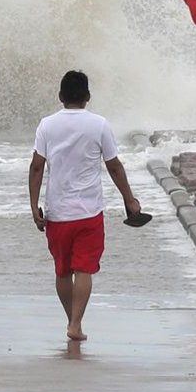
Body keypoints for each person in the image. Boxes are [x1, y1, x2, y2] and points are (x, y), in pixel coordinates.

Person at [29, 69, 141, 341]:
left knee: (63, 271)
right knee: (84, 269)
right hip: (89, 213)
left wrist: (33, 206)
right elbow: (114, 166)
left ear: (60, 96)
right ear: (88, 96)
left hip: (57, 212)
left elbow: (36, 167)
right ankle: (76, 323)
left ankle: (72, 321)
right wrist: (129, 199)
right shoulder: (99, 124)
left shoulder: (46, 125)